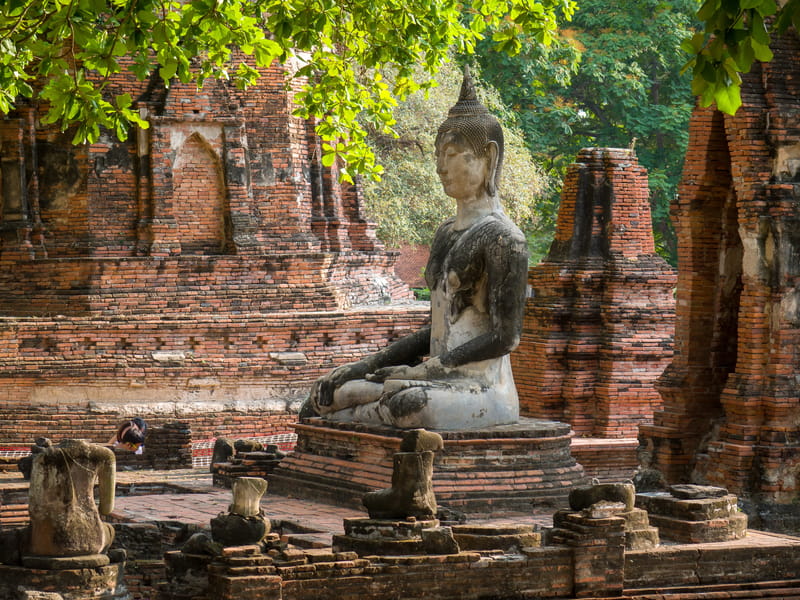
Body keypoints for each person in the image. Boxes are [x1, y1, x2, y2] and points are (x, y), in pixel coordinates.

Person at [306, 68, 528, 430]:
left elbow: (505, 337)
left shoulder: (505, 239)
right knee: (322, 396)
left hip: (480, 387)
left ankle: (361, 416)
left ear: (488, 156)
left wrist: (424, 370)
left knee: (409, 402)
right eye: (438, 154)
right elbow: (438, 328)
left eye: (453, 154)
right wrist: (368, 365)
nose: (441, 166)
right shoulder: (444, 234)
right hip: (435, 377)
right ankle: (362, 412)